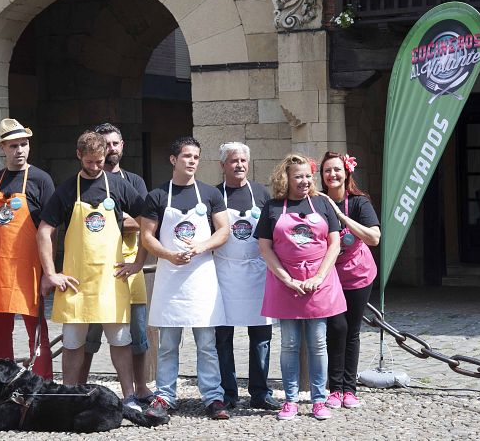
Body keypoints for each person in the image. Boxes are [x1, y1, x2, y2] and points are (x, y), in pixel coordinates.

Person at [36, 130, 146, 406]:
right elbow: (44, 230)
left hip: (111, 279)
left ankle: (129, 397)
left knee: (121, 340)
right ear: (79, 156)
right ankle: (68, 397)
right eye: (90, 162)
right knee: (73, 342)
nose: (96, 167)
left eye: (99, 161)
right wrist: (50, 273)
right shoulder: (66, 189)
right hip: (76, 281)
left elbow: (148, 222)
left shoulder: (119, 186)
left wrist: (138, 262)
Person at [140, 136, 231, 421]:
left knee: (206, 342)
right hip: (171, 278)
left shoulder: (210, 194)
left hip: (202, 278)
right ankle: (165, 396)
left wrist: (202, 247)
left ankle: (213, 397)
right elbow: (146, 237)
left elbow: (224, 230)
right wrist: (167, 254)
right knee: (167, 343)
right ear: (173, 160)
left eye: (195, 157)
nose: (192, 161)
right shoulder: (156, 196)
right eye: (186, 156)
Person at [254, 153, 346, 421]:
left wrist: (318, 276)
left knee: (318, 342)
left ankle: (319, 399)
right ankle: (291, 400)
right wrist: (285, 278)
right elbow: (264, 246)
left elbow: (334, 244)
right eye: (299, 176)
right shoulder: (272, 207)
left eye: (308, 176)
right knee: (290, 343)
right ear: (286, 178)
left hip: (319, 282)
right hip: (286, 282)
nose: (305, 181)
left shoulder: (322, 203)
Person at [80, 123, 155, 408]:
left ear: (122, 145)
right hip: (94, 269)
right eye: (105, 145)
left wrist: (117, 224)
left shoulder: (133, 181)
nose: (111, 149)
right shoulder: (83, 182)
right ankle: (81, 387)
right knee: (88, 333)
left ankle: (141, 387)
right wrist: (119, 222)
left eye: (115, 144)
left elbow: (144, 220)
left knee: (136, 332)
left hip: (128, 266)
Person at [0, 119, 56, 380]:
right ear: (3, 148)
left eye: (24, 144)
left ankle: (41, 384)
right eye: (13, 145)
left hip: (29, 268)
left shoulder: (41, 179)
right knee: (0, 333)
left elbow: (51, 228)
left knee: (37, 332)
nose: (20, 150)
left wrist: (50, 271)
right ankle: (1, 386)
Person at [213, 142, 279, 411]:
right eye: (233, 161)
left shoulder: (261, 193)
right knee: (223, 337)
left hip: (257, 272)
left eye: (243, 160)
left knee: (261, 336)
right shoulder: (213, 195)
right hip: (224, 272)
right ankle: (228, 392)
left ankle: (260, 392)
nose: (239, 165)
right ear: (223, 165)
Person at [320, 152, 380, 410]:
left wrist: (341, 216)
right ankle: (334, 389)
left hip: (357, 274)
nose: (332, 175)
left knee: (352, 331)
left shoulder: (359, 202)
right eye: (327, 171)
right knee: (335, 329)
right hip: (330, 274)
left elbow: (373, 237)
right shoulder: (316, 202)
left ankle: (349, 389)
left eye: (337, 170)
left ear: (346, 173)